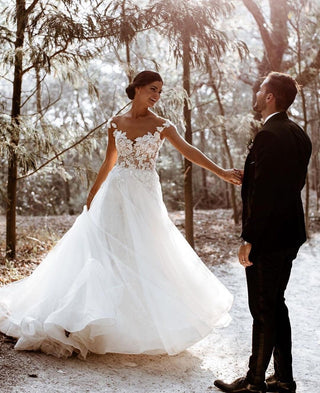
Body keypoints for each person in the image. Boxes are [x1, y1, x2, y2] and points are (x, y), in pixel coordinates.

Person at [0, 70, 242, 359]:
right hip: (115, 191)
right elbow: (109, 161)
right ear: (137, 88)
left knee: (146, 251)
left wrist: (222, 172)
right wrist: (93, 192)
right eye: (152, 89)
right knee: (105, 250)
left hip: (144, 194)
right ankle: (87, 320)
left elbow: (189, 151)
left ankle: (138, 323)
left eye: (160, 91)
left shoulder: (163, 125)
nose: (156, 95)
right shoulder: (116, 123)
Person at [214, 72, 312, 393]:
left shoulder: (268, 134)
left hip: (268, 237)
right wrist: (252, 175)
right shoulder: (299, 133)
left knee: (262, 308)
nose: (256, 93)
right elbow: (284, 183)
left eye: (260, 90)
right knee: (276, 303)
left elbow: (267, 193)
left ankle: (254, 382)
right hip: (290, 233)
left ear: (270, 97)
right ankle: (284, 378)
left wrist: (249, 238)